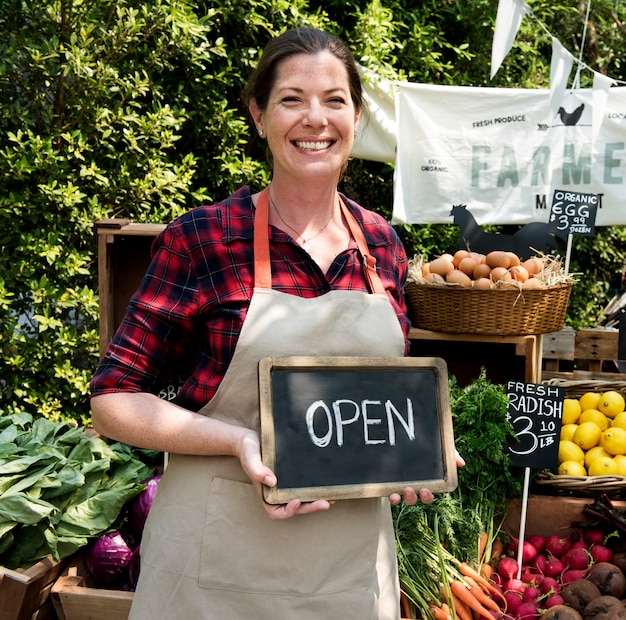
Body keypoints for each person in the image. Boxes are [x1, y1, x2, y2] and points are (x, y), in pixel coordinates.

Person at [90, 26, 459, 619]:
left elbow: (370, 410)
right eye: (292, 99)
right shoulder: (202, 239)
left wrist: (412, 457)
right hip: (214, 572)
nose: (316, 119)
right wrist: (240, 440)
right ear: (259, 116)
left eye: (335, 100)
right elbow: (113, 400)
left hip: (350, 577)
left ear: (356, 118)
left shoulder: (384, 247)